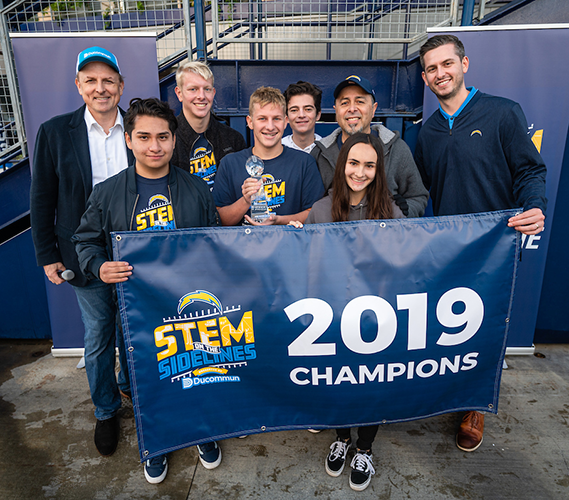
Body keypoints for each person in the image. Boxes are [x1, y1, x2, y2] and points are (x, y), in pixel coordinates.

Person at [73, 98, 220, 484]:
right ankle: (156, 441)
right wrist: (98, 266)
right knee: (146, 379)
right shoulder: (107, 193)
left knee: (197, 370)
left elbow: (216, 242)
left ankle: (201, 430)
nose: (154, 146)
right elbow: (85, 240)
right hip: (135, 310)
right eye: (144, 137)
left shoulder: (196, 190)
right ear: (129, 140)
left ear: (174, 142)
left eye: (162, 137)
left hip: (190, 308)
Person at [415, 34, 547, 452]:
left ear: (464, 64)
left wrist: (535, 205)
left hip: (497, 247)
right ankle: (450, 391)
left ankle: (475, 407)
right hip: (450, 250)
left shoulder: (503, 113)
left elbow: (530, 171)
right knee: (452, 328)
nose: (441, 73)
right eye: (432, 69)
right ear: (424, 76)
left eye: (447, 64)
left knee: (488, 330)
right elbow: (421, 192)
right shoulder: (428, 131)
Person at [30, 46, 133, 457]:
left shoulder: (138, 127)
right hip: (83, 253)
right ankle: (106, 411)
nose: (100, 88)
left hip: (137, 251)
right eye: (90, 80)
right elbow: (42, 198)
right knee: (98, 337)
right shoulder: (56, 132)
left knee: (134, 333)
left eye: (108, 80)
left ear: (121, 85)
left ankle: (131, 390)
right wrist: (47, 254)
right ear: (78, 85)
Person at [290, 132, 404, 491]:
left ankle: (365, 447)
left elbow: (406, 259)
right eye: (354, 163)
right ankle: (341, 437)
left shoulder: (389, 210)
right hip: (332, 317)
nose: (360, 171)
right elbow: (305, 264)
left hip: (375, 320)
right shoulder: (322, 210)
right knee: (337, 380)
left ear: (378, 169)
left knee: (371, 384)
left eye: (369, 165)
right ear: (342, 166)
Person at [311, 75, 428, 218]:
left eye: (360, 102)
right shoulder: (319, 154)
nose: (352, 109)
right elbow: (311, 208)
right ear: (336, 111)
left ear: (373, 109)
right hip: (334, 239)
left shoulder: (396, 148)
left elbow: (418, 197)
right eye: (345, 103)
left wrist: (401, 213)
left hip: (382, 238)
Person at [214, 86, 324, 226]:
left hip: (289, 245)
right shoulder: (230, 164)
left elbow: (314, 214)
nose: (270, 127)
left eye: (276, 119)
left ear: (285, 121)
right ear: (250, 122)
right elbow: (219, 220)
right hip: (243, 246)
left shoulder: (304, 162)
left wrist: (278, 220)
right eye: (262, 118)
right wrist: (246, 200)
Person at [171, 60, 246, 188]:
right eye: (193, 89)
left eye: (207, 89)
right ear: (179, 93)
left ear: (213, 93)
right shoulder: (167, 140)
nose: (201, 96)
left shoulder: (234, 139)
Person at [282, 81, 322, 153]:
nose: (301, 115)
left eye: (308, 109)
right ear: (286, 117)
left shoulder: (327, 149)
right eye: (294, 110)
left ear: (318, 115)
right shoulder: (278, 149)